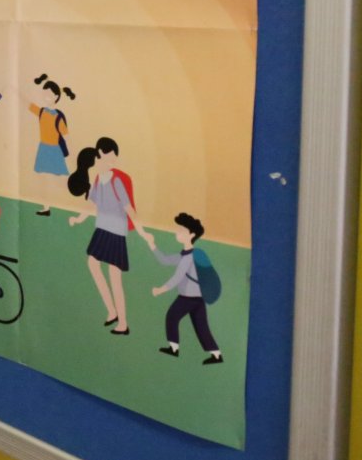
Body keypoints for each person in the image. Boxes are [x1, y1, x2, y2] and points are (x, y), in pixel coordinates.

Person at [67, 136, 135, 336]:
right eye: (109, 157)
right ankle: (112, 311)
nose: (112, 161)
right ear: (100, 155)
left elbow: (128, 208)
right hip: (102, 229)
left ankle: (123, 323)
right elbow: (93, 204)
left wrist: (142, 231)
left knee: (115, 276)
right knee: (93, 263)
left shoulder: (116, 180)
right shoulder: (98, 179)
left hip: (116, 232)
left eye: (114, 157)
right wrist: (79, 218)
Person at [141, 213, 224, 365]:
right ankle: (216, 355)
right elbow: (165, 260)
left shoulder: (188, 258)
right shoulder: (185, 255)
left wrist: (160, 290)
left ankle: (174, 348)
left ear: (191, 235)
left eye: (181, 230)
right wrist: (152, 244)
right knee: (201, 327)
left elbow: (177, 278)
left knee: (172, 317)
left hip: (188, 298)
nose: (177, 232)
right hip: (198, 299)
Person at [25, 75, 74, 216]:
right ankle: (46, 208)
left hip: (54, 151)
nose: (46, 97)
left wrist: (73, 156)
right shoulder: (42, 112)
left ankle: (74, 194)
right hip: (43, 149)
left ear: (56, 97)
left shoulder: (58, 117)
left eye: (49, 95)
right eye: (44, 94)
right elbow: (28, 103)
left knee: (59, 180)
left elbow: (67, 137)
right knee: (43, 180)